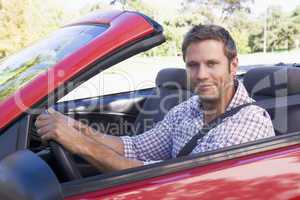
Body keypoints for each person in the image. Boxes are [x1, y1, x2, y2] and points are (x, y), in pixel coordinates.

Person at [35, 24, 275, 172]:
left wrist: (80, 144)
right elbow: (136, 148)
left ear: (233, 65)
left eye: (212, 64)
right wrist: (77, 129)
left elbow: (176, 179)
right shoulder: (190, 107)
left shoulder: (247, 125)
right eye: (193, 65)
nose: (201, 75)